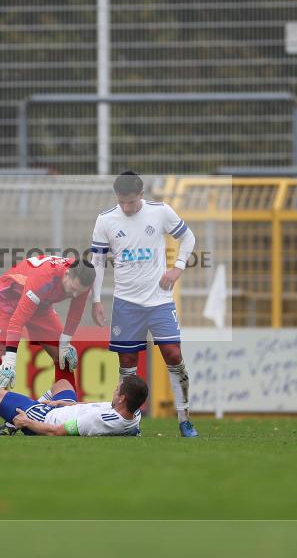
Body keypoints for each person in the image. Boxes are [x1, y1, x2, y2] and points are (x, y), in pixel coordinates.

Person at [89, 171, 200, 437]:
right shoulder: (105, 220)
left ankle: (184, 418)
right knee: (127, 366)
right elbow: (97, 262)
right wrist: (95, 300)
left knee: (174, 355)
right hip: (126, 304)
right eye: (122, 202)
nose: (126, 208)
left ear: (141, 195)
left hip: (159, 301)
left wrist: (177, 269)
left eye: (131, 202)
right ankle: (126, 423)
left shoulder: (160, 212)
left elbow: (189, 237)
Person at [0, 255, 95, 435]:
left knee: (63, 358)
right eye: (72, 288)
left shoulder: (84, 279)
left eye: (79, 292)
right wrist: (9, 361)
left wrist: (65, 343)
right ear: (67, 274)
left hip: (40, 305)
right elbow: (17, 321)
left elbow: (75, 312)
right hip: (6, 299)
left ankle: (66, 416)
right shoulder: (45, 277)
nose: (74, 294)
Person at [0, 375, 147, 437]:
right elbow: (98, 406)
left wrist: (25, 422)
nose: (114, 391)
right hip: (59, 408)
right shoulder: (132, 415)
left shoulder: (97, 422)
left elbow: (58, 431)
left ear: (123, 398)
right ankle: (23, 411)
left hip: (44, 418)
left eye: (117, 390)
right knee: (62, 383)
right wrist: (65, 402)